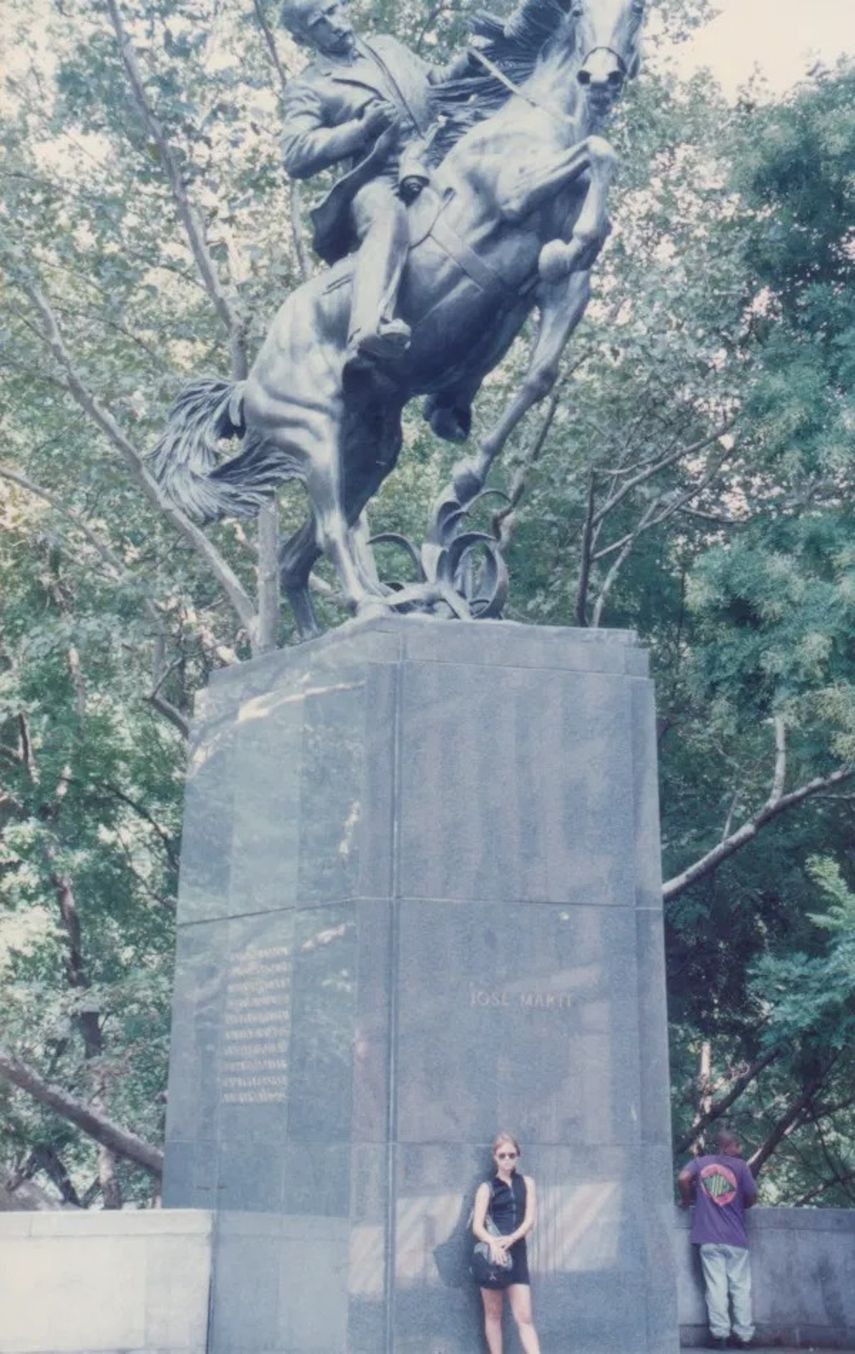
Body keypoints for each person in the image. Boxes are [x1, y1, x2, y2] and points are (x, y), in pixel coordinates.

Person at [279, 0, 470, 370]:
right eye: (321, 21)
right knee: (386, 217)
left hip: (437, 159)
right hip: (380, 179)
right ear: (301, 37)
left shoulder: (387, 46)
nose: (335, 23)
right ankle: (369, 325)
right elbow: (295, 153)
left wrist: (470, 60)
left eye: (336, 9)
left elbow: (439, 84)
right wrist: (360, 130)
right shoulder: (310, 86)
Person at [678, 1127, 758, 1351]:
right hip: (735, 1238)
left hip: (709, 1238)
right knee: (740, 1288)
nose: (740, 1149)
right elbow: (752, 1196)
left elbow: (683, 1178)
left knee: (716, 1288)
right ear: (727, 1146)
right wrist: (741, 1204)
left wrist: (686, 1200)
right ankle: (743, 1336)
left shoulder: (701, 1163)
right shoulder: (741, 1168)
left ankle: (720, 1335)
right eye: (737, 1145)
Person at [472, 1131, 542, 1354]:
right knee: (493, 1315)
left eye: (511, 1155)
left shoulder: (527, 1183)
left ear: (518, 1156)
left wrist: (511, 1238)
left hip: (517, 1253)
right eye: (502, 1155)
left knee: (525, 1317)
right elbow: (477, 1226)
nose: (507, 1160)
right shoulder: (486, 1188)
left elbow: (530, 1219)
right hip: (493, 1255)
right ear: (495, 1157)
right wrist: (493, 1243)